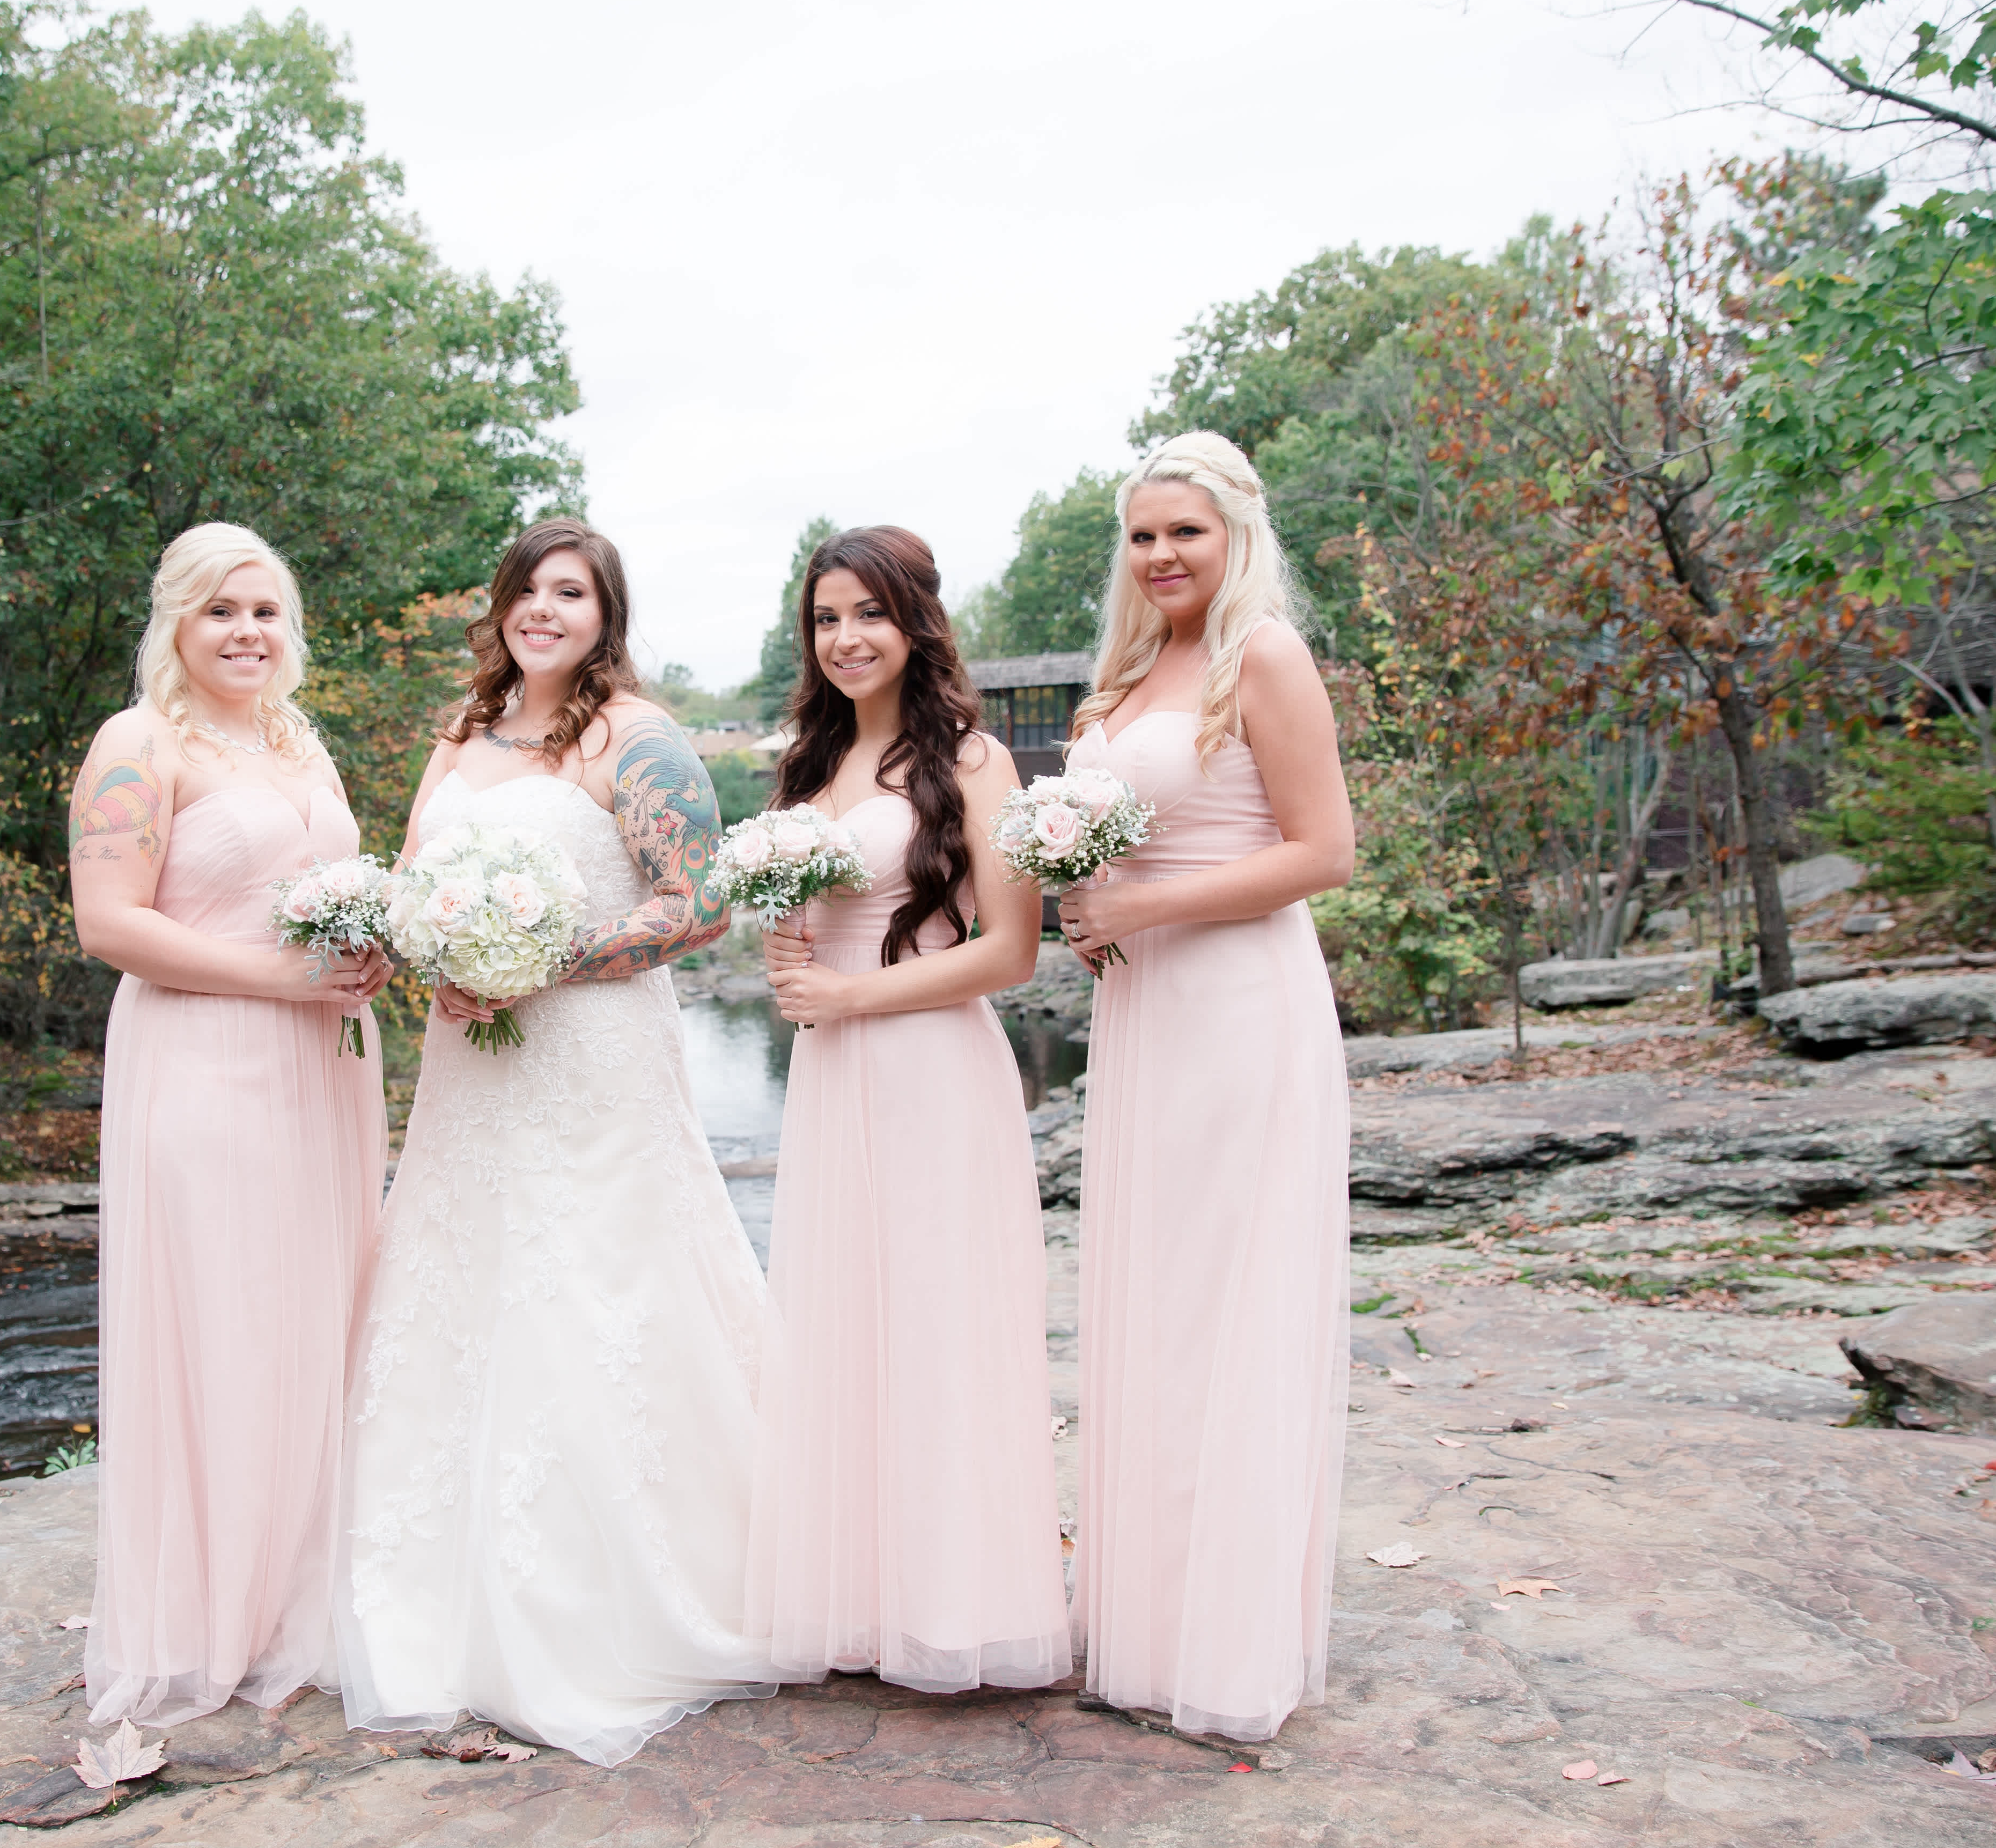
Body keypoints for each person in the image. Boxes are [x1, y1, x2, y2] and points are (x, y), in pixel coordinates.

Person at [335, 517, 776, 1766]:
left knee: (595, 1289)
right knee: (462, 1283)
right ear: (501, 607)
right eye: (527, 588)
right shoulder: (462, 735)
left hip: (591, 1056)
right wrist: (431, 948)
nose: (543, 609)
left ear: (604, 614)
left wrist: (544, 956)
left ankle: (614, 1601)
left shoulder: (637, 736)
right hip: (471, 1062)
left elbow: (699, 904)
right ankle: (445, 1599)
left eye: (570, 592)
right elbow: (412, 879)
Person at [1052, 432, 1355, 1743]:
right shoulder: (1126, 678)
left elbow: (1326, 851)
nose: (1163, 555)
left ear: (1237, 536)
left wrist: (1146, 904)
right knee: (1154, 1301)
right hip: (1144, 1013)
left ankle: (1230, 1644)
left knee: (1231, 1300)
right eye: (1143, 535)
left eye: (1187, 531)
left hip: (1240, 1008)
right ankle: (1148, 1621)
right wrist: (1086, 901)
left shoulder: (1263, 656)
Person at [65, 521, 388, 1728]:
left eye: (264, 611)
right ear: (178, 623)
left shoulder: (299, 741)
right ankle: (210, 1618)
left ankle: (304, 1597)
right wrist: (281, 979)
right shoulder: (139, 742)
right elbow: (109, 924)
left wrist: (371, 950)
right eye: (221, 611)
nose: (247, 632)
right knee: (227, 1314)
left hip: (326, 1066)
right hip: (205, 1061)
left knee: (319, 1310)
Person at [749, 526, 1072, 1694]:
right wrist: (788, 953)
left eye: (869, 613)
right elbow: (806, 927)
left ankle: (957, 1610)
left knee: (940, 1325)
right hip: (834, 1079)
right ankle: (861, 1603)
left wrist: (850, 993)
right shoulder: (809, 767)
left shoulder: (973, 762)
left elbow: (1013, 952)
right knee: (846, 1323)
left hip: (934, 1069)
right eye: (826, 619)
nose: (846, 638)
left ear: (916, 620)